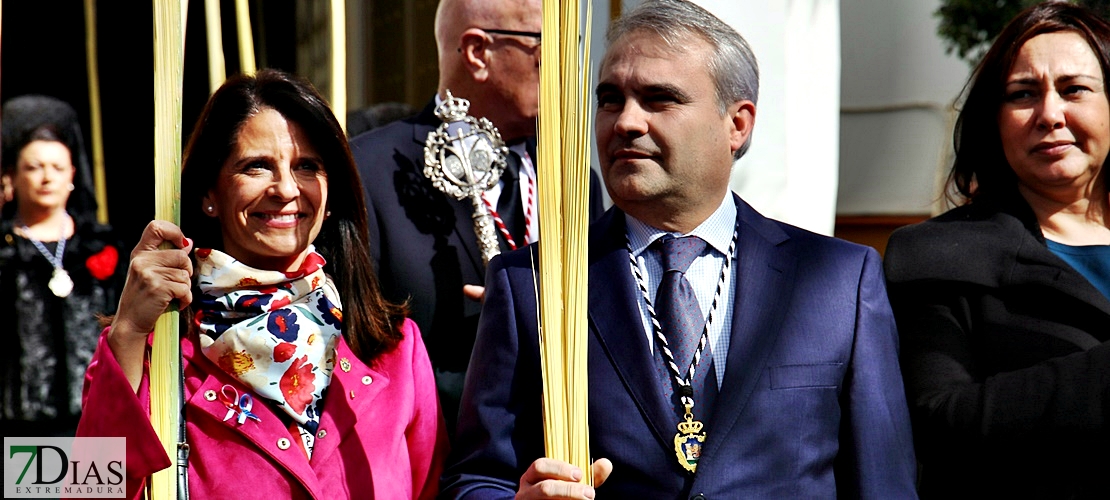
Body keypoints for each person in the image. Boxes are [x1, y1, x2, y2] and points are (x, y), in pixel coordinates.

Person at [442, 0, 917, 498]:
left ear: (738, 125)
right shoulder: (533, 283)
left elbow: (882, 481)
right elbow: (475, 480)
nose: (625, 121)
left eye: (659, 99)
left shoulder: (839, 280)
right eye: (609, 99)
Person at [75, 69, 448, 499]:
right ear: (208, 193)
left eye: (308, 166)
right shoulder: (151, 356)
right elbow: (86, 490)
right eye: (256, 167)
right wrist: (128, 331)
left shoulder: (396, 351)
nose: (287, 189)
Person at [884, 3, 1110, 498]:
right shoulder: (935, 256)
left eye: (1075, 90)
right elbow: (937, 422)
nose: (1050, 114)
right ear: (995, 121)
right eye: (1022, 95)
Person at [348, 0, 604, 433]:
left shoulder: (575, 179)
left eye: (572, 46)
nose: (568, 66)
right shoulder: (370, 170)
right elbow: (353, 349)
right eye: (548, 47)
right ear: (477, 53)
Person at [0, 95, 126, 437]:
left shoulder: (102, 244)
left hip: (97, 419)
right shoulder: (5, 249)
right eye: (33, 167)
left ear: (72, 173)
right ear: (12, 174)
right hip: (18, 425)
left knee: (94, 492)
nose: (46, 178)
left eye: (57, 168)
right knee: (30, 489)